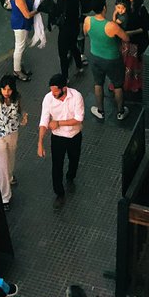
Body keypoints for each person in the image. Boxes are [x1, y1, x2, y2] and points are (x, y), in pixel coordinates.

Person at [38, 74, 85, 209]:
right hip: (58, 137)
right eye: (51, 90)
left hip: (74, 135)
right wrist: (40, 143)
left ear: (64, 88)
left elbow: (78, 118)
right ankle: (59, 192)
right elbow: (44, 121)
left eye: (55, 91)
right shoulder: (48, 99)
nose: (53, 94)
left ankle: (71, 175)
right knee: (57, 165)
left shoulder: (76, 96)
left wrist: (58, 123)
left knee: (74, 158)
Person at [84, 0, 128, 123]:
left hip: (95, 57)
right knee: (118, 85)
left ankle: (100, 110)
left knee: (98, 84)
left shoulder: (87, 20)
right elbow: (126, 38)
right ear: (104, 7)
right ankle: (120, 112)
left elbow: (85, 33)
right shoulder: (111, 26)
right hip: (112, 59)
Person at [0, 75, 27, 209]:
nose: (6, 92)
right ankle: (4, 197)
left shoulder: (17, 97)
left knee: (10, 159)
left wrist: (23, 116)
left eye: (9, 90)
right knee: (1, 167)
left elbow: (20, 110)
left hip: (13, 133)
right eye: (4, 89)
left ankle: (9, 177)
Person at [115, 0, 149, 106]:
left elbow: (146, 27)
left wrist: (130, 33)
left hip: (137, 41)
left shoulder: (141, 9)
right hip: (126, 41)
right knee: (126, 62)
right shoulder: (124, 6)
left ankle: (134, 84)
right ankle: (126, 82)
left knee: (134, 63)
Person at [52, 0, 85, 83]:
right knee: (73, 46)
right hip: (74, 27)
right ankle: (79, 65)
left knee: (63, 54)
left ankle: (65, 76)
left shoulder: (62, 0)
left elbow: (56, 11)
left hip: (65, 30)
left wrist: (48, 0)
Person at [8, 0, 36, 82]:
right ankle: (17, 70)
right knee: (19, 47)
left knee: (21, 46)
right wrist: (39, 10)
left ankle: (19, 66)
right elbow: (27, 15)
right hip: (21, 24)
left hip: (19, 22)